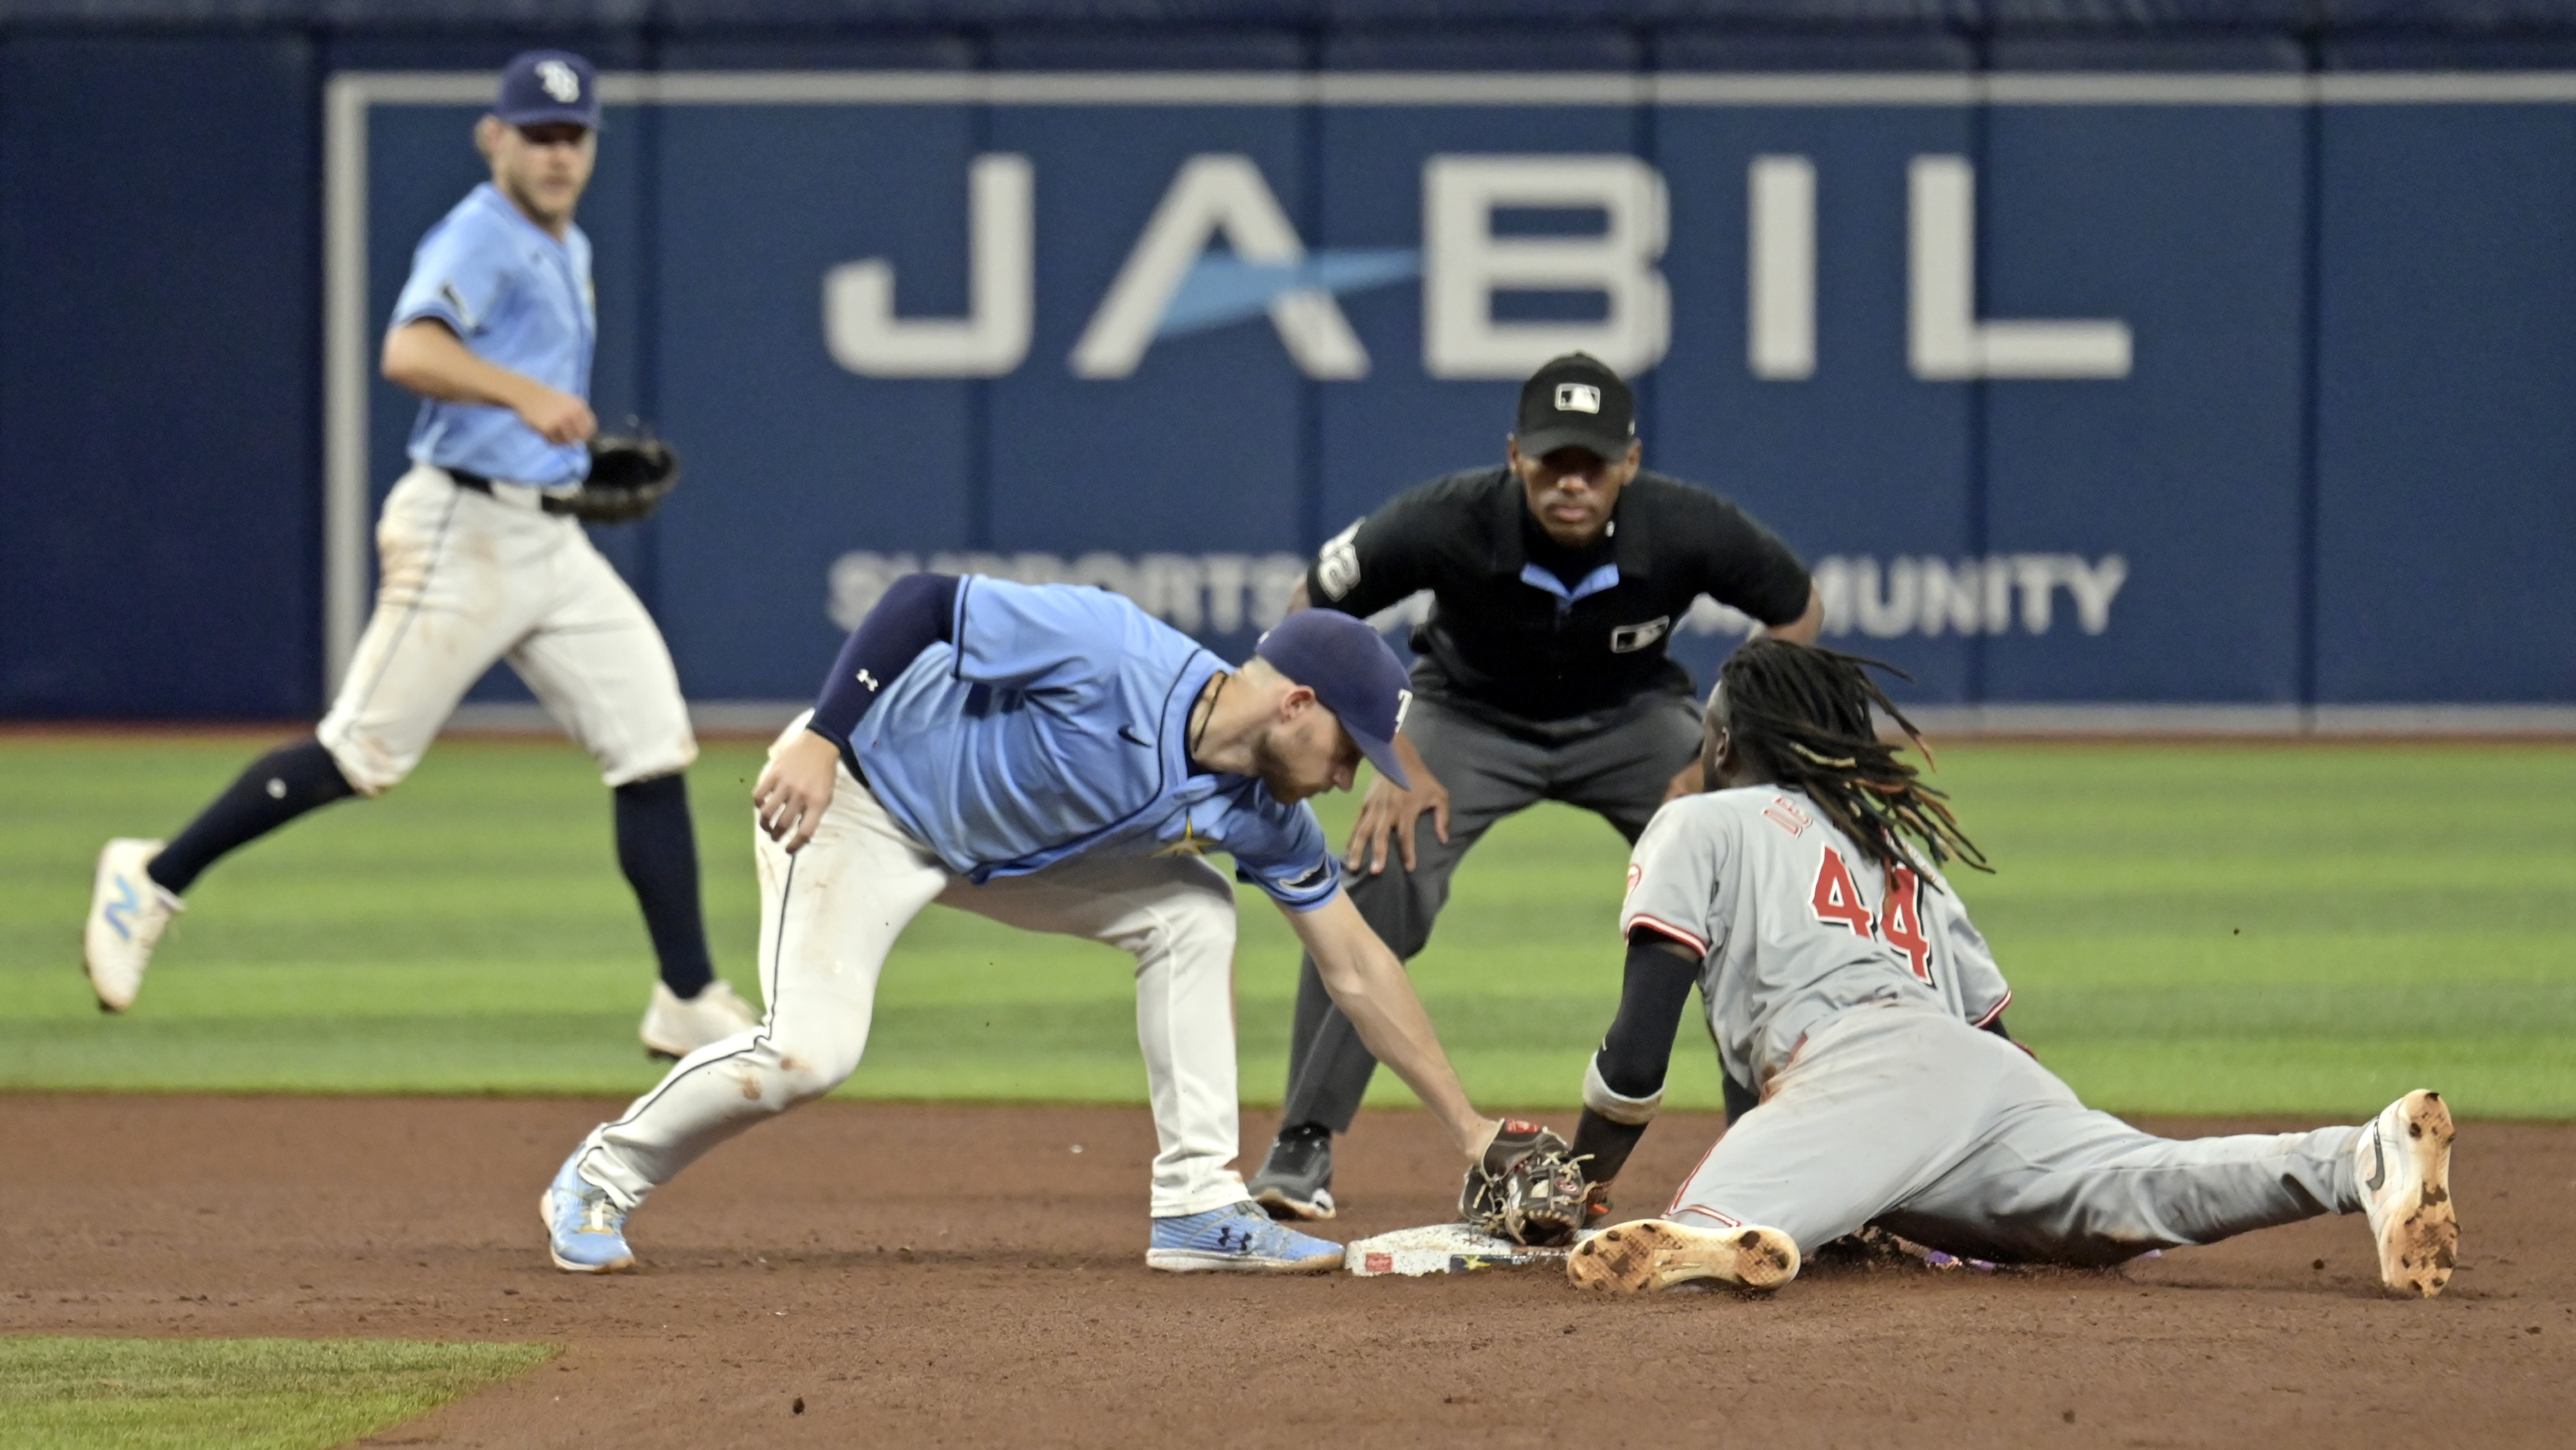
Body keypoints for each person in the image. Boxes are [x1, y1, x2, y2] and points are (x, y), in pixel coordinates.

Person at [538, 574, 1541, 1275]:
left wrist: (1469, 1127)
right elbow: (921, 602)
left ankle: (1197, 1204)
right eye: (1348, 746)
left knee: (1191, 911)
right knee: (808, 1053)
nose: (1346, 774)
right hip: (857, 803)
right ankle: (599, 1177)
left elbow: (1357, 965)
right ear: (1296, 703)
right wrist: (825, 738)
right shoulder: (1110, 650)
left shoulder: (1265, 813)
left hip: (989, 855)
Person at [78, 51, 757, 1060]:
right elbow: (411, 350)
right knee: (361, 754)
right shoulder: (481, 234)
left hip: (544, 533)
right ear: (495, 137)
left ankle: (687, 993)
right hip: (462, 532)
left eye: (573, 137)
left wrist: (546, 449)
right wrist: (522, 398)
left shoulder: (559, 241)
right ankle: (155, 875)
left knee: (652, 744)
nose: (558, 153)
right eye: (538, 134)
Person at [1556, 638, 2458, 1299]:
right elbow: (1990, 1037)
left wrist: (1577, 1179)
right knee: (2143, 1187)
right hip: (1984, 1075)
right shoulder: (1896, 843)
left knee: (1677, 1248)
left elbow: (1637, 1058)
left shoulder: (1700, 821)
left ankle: (1726, 1237)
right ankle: (2354, 1159)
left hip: (1853, 1064)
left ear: (1720, 746)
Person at [1248, 351, 1826, 1220]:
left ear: (1628, 464)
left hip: (1632, 721)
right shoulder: (1447, 520)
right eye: (1551, 460)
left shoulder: (1682, 526)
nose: (1570, 481)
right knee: (1383, 864)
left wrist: (1720, 752)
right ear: (1515, 454)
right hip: (1466, 718)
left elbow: (1797, 608)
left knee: (1740, 867)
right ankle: (1303, 1143)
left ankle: (1763, 1140)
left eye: (1590, 463)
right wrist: (1387, 744)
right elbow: (1308, 612)